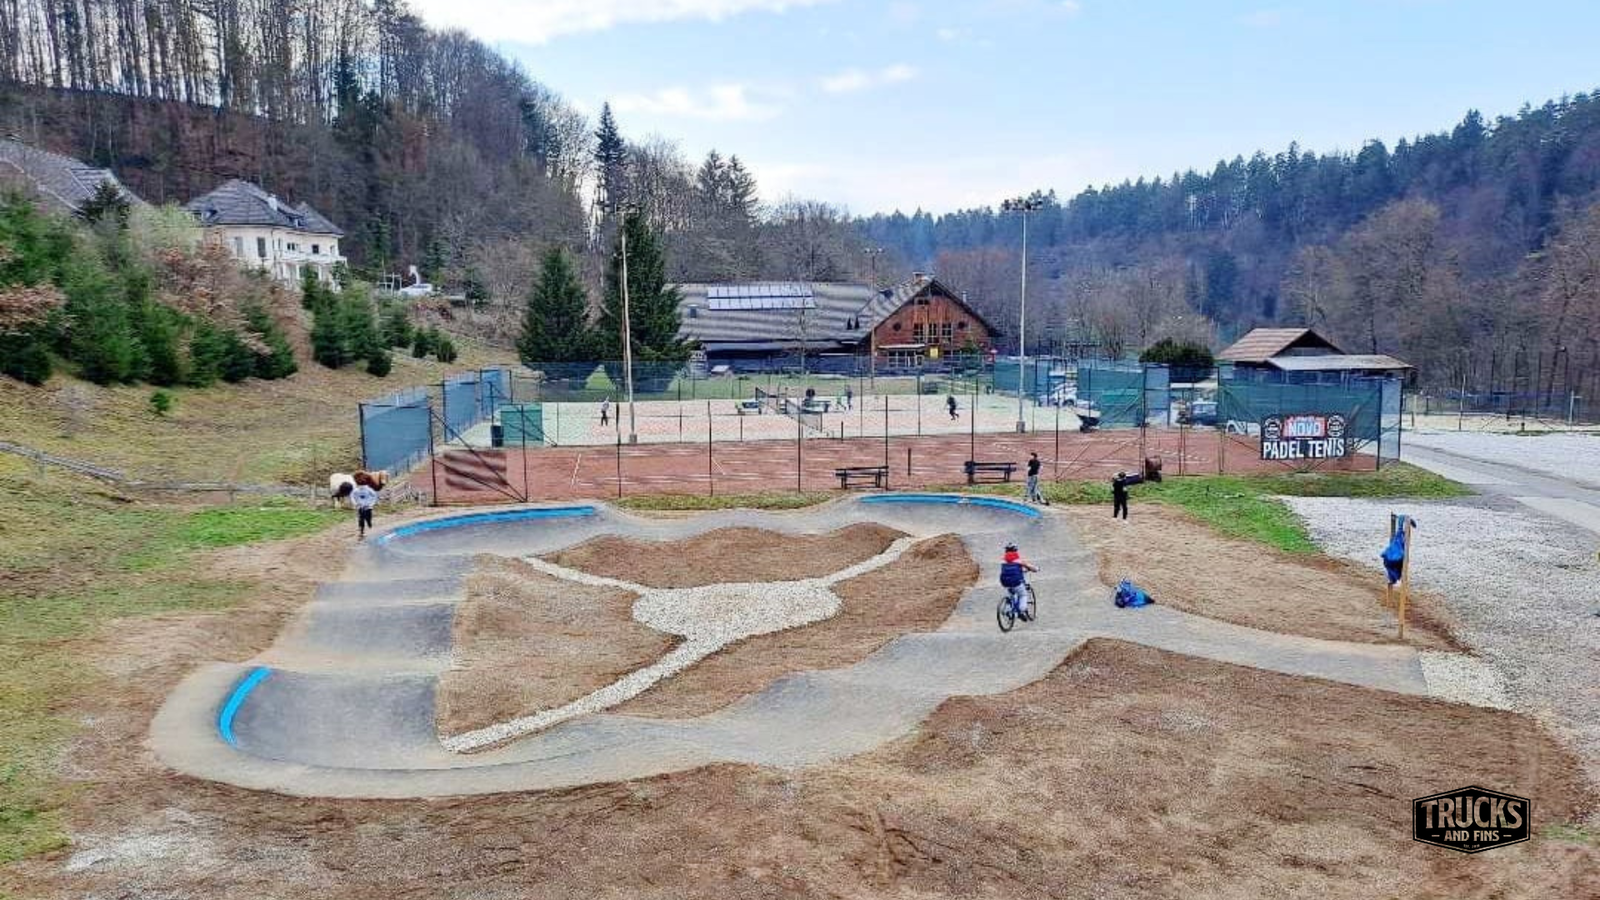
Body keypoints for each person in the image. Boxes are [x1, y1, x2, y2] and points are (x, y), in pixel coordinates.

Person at [1000, 543, 1038, 620]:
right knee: (1023, 595)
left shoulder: (1003, 561)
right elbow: (1029, 567)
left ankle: (1008, 610)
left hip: (1004, 581)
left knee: (1012, 594)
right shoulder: (1018, 560)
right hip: (1016, 581)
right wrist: (1036, 569)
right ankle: (1021, 610)